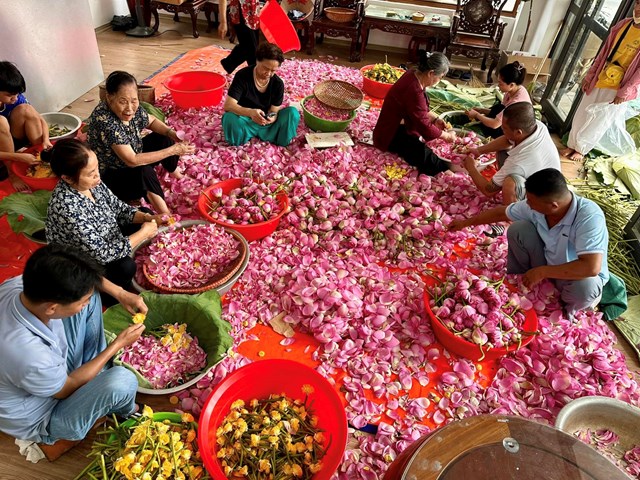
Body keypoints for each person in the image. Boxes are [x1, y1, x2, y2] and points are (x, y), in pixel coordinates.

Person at [0, 245, 145, 459]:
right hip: (46, 412)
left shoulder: (19, 286)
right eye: (80, 302)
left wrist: (121, 293)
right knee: (122, 381)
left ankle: (96, 374)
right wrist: (118, 345)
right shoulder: (29, 356)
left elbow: (88, 283)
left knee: (92, 295)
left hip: (47, 371)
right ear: (52, 307)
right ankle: (126, 412)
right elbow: (66, 389)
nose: (85, 305)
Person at [450, 168, 609, 318]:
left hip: (573, 277)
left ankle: (565, 308)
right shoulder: (538, 206)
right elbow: (501, 212)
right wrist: (465, 223)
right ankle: (523, 282)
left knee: (587, 286)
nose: (527, 204)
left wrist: (543, 272)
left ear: (553, 206)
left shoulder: (589, 217)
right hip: (547, 262)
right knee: (519, 229)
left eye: (531, 201)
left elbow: (591, 267)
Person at [44, 139, 164, 297]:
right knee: (125, 267)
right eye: (91, 173)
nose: (98, 176)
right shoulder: (67, 208)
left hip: (106, 235)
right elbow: (103, 254)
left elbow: (118, 208)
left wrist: (148, 217)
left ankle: (132, 250)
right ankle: (110, 296)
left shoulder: (92, 183)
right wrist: (143, 233)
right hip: (85, 262)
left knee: (142, 213)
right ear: (67, 178)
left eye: (97, 168)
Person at [87, 71, 195, 214]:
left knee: (163, 138)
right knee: (144, 171)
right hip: (112, 177)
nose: (129, 108)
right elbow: (132, 160)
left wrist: (172, 133)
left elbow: (151, 121)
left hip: (130, 156)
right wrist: (174, 150)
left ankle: (177, 176)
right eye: (123, 101)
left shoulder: (131, 107)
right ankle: (166, 216)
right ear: (109, 97)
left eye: (134, 100)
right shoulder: (106, 122)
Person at [562, 0, 640, 162]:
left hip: (619, 86)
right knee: (583, 111)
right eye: (638, 3)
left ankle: (582, 149)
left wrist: (625, 92)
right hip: (601, 77)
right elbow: (603, 53)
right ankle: (572, 143)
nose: (638, 9)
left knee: (599, 120)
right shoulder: (623, 25)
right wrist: (590, 76)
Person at [373, 51, 457, 176]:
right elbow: (423, 124)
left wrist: (434, 119)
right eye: (441, 77)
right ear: (431, 73)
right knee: (421, 153)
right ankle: (444, 171)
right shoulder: (414, 89)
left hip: (392, 125)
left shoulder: (412, 74)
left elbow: (416, 109)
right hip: (391, 133)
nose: (440, 80)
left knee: (419, 149)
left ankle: (443, 168)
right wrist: (446, 136)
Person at [464, 102, 560, 205]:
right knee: (502, 151)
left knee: (510, 183)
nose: (501, 129)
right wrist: (479, 150)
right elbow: (507, 140)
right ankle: (503, 186)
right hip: (539, 175)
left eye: (504, 128)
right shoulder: (537, 126)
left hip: (542, 200)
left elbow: (488, 190)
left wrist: (471, 167)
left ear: (518, 132)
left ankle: (512, 213)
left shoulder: (518, 162)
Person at [222, 43, 300, 147]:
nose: (268, 73)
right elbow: (228, 105)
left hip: (267, 125)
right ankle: (240, 140)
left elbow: (274, 111)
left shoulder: (278, 83)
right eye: (265, 68)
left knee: (292, 113)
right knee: (229, 118)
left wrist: (272, 117)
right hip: (245, 120)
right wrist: (250, 112)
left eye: (273, 70)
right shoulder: (242, 76)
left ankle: (279, 140)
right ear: (257, 61)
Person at [0, 61, 50, 192]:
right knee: (1, 122)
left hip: (13, 138)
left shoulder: (16, 98)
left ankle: (41, 159)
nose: (15, 98)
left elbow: (40, 119)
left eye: (17, 94)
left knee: (26, 109)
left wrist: (46, 140)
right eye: (10, 95)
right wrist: (17, 157)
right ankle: (12, 174)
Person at [466, 61, 531, 138]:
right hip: (507, 121)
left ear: (511, 85)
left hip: (514, 131)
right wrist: (482, 110)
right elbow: (500, 112)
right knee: (498, 107)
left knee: (491, 117)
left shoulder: (516, 103)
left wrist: (477, 115)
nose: (498, 86)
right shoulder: (514, 89)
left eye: (500, 84)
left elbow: (495, 124)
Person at [217, 0, 260, 74]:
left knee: (247, 46)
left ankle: (228, 64)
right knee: (252, 50)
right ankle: (254, 76)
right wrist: (223, 22)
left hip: (254, 12)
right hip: (240, 13)